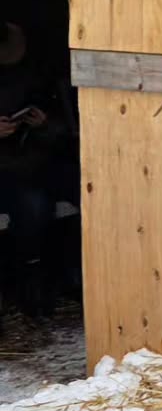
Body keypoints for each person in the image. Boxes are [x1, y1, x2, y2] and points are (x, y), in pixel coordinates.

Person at [0, 16, 80, 310]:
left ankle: (78, 272)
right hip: (6, 170)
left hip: (40, 158)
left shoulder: (36, 71)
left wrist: (44, 124)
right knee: (34, 205)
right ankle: (31, 281)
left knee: (87, 186)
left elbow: (64, 123)